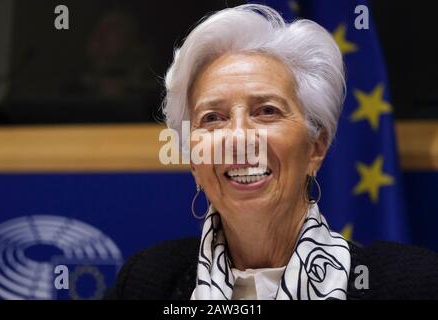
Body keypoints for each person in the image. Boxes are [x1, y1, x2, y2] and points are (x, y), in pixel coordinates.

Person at [107, 4, 438, 300]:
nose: (238, 137)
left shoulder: (409, 285)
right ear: (194, 161)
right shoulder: (147, 283)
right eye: (213, 118)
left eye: (266, 111)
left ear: (315, 148)